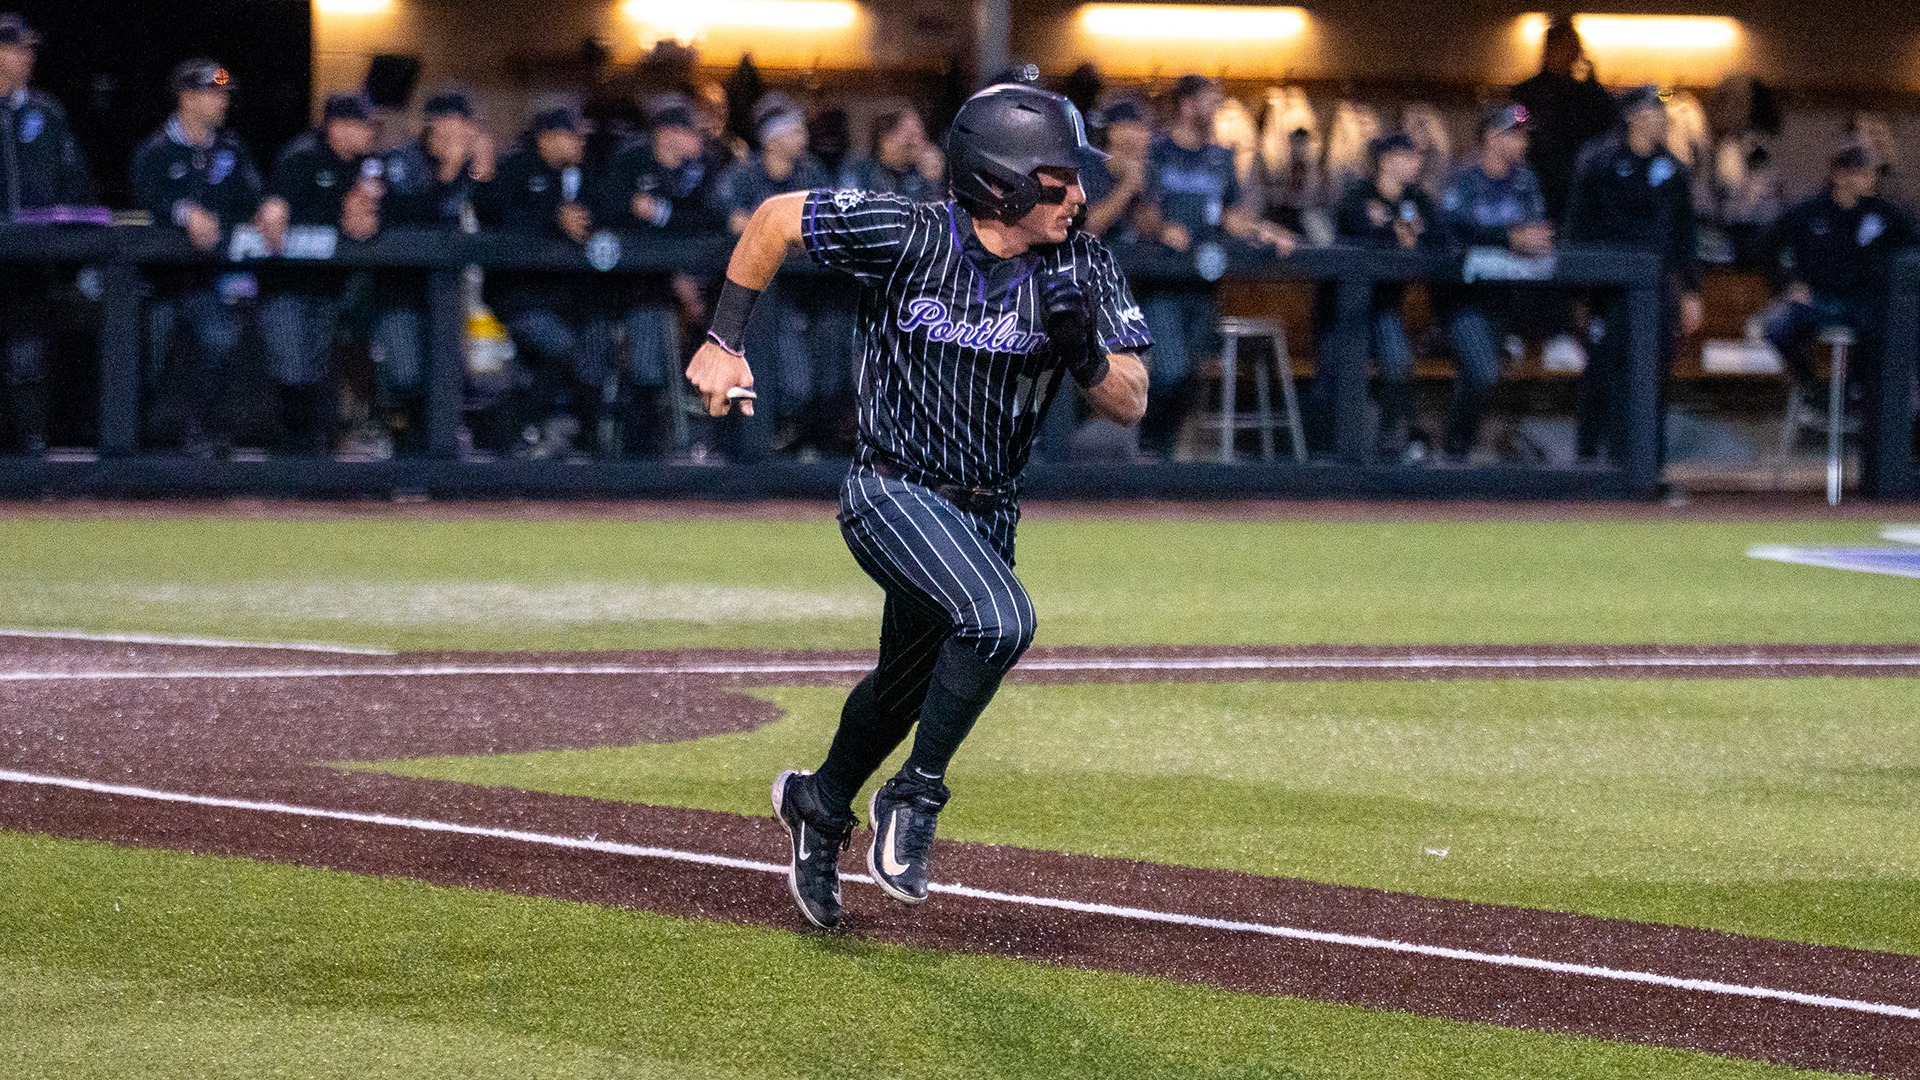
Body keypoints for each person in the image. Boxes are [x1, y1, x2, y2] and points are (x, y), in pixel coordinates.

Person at [684, 84, 1150, 929]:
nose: (1078, 194)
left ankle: (818, 806)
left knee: (902, 691)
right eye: (1057, 179)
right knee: (1002, 621)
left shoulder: (1083, 264)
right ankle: (915, 795)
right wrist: (724, 340)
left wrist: (1085, 355)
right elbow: (776, 218)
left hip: (987, 513)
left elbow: (1132, 399)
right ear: (1000, 180)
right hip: (890, 489)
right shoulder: (909, 231)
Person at [1135, 74, 1295, 459]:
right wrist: (1162, 228)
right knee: (1169, 369)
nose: (1219, 108)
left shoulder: (1221, 157)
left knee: (1191, 372)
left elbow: (1231, 215)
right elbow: (1140, 213)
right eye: (1211, 101)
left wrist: (1264, 230)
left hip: (1204, 282)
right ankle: (1146, 445)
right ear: (1188, 105)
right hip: (1161, 281)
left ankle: (1164, 458)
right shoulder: (1157, 151)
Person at [1564, 86, 1704, 466]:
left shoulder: (1673, 169)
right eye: (1656, 112)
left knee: (1653, 374)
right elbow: (1578, 227)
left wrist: (1691, 292)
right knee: (1602, 372)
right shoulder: (1599, 161)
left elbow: (1684, 235)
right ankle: (1589, 462)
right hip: (1606, 290)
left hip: (1656, 291)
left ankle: (1647, 466)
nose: (1663, 119)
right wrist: (1577, 294)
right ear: (1634, 116)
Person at [129, 58, 261, 458]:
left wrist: (266, 210)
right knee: (146, 354)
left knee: (220, 340)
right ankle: (132, 442)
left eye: (224, 93)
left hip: (207, 279)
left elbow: (252, 198)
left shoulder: (231, 150)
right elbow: (145, 195)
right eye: (212, 92)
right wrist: (183, 213)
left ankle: (202, 431)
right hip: (157, 281)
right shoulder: (156, 150)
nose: (222, 100)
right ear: (187, 97)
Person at [595, 92, 729, 456]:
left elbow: (709, 221)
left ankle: (706, 440)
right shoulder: (631, 160)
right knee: (647, 352)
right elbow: (604, 211)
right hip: (633, 287)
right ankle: (642, 451)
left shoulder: (704, 166)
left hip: (698, 283)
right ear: (668, 132)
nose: (697, 140)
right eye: (689, 131)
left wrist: (660, 215)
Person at [254, 91, 384, 455]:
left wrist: (366, 215)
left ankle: (308, 460)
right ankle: (285, 459)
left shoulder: (366, 166)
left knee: (313, 373)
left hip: (328, 286)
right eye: (362, 126)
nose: (369, 134)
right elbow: (273, 207)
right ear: (337, 127)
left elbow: (368, 216)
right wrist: (275, 211)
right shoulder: (302, 156)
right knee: (292, 370)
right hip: (285, 283)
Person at [714, 94, 840, 455]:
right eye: (793, 128)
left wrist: (769, 229)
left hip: (801, 297)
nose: (801, 134)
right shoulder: (742, 174)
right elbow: (727, 221)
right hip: (744, 302)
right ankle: (746, 450)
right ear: (772, 136)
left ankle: (788, 442)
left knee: (804, 383)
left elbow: (825, 226)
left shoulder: (810, 172)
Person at [372, 89, 496, 454]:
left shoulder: (469, 164)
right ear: (432, 125)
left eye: (465, 125)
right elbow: (403, 216)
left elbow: (496, 218)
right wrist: (447, 174)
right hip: (400, 288)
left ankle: (439, 458)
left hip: (450, 290)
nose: (460, 133)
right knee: (406, 374)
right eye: (452, 124)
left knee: (451, 378)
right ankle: (404, 452)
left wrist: (484, 176)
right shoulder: (400, 160)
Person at [481, 106, 604, 456]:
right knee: (560, 346)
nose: (580, 141)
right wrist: (553, 219)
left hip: (569, 298)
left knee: (591, 353)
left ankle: (575, 438)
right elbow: (498, 219)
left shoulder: (584, 175)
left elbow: (607, 213)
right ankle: (519, 424)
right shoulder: (515, 168)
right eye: (571, 135)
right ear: (546, 138)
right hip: (518, 296)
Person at [1435, 103, 1553, 462]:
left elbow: (1538, 232)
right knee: (1483, 371)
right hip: (1462, 298)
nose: (1522, 143)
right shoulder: (1462, 177)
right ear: (1491, 137)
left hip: (1507, 298)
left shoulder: (1525, 179)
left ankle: (1460, 448)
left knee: (1485, 374)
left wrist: (1516, 239)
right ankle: (1456, 445)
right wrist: (1507, 238)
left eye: (1523, 136)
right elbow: (1453, 231)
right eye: (1514, 135)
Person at [1763, 143, 1915, 410]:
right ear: (1841, 175)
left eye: (1871, 173)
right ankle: (1809, 384)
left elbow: (1911, 244)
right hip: (1816, 298)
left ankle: (1857, 393)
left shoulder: (1882, 213)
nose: (1871, 180)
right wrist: (1787, 284)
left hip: (1862, 301)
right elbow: (1765, 245)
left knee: (1888, 329)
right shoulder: (1809, 211)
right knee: (1777, 328)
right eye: (1864, 173)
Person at [0, 13, 92, 454]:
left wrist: (65, 234)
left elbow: (74, 180)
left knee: (29, 357)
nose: (27, 58)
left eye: (29, 50)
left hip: (32, 261)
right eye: (18, 49)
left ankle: (32, 450)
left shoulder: (44, 112)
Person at [1323, 132, 1440, 462]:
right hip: (1344, 306)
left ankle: (1391, 445)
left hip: (1385, 305)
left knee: (1398, 363)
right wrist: (1397, 232)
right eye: (1409, 156)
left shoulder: (1416, 197)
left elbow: (1440, 235)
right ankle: (1336, 456)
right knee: (1334, 377)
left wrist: (1408, 231)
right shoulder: (1358, 193)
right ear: (1387, 160)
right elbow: (1362, 233)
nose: (1416, 162)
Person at [1512, 16, 1617, 223]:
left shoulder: (1588, 94)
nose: (1571, 55)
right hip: (1538, 178)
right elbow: (1519, 129)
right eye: (1566, 48)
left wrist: (1592, 80)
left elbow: (1608, 126)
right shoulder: (1528, 92)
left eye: (1574, 49)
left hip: (1579, 181)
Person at [1079, 95, 1150, 243]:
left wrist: (1141, 195)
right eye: (1135, 127)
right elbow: (1088, 226)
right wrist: (1127, 186)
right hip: (1091, 256)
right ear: (1112, 132)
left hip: (1130, 257)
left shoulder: (1146, 168)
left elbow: (1147, 229)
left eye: (1144, 129)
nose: (1144, 135)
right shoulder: (1088, 166)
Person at [841, 108, 943, 202]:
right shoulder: (861, 172)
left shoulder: (920, 173)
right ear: (886, 139)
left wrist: (934, 183)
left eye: (922, 135)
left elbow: (936, 216)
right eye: (911, 135)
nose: (919, 143)